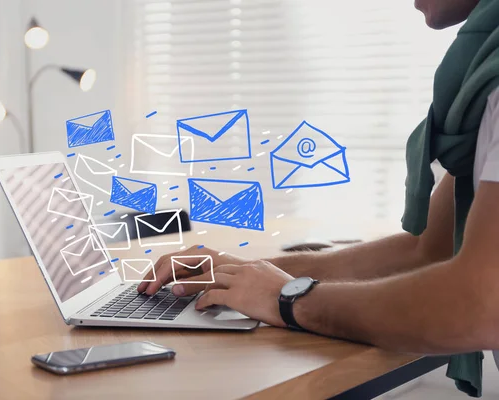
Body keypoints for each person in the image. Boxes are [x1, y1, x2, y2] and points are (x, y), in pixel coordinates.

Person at [138, 0, 499, 396]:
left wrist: (290, 301)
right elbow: (426, 251)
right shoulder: (487, 78)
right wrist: (248, 272)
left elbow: (477, 305)